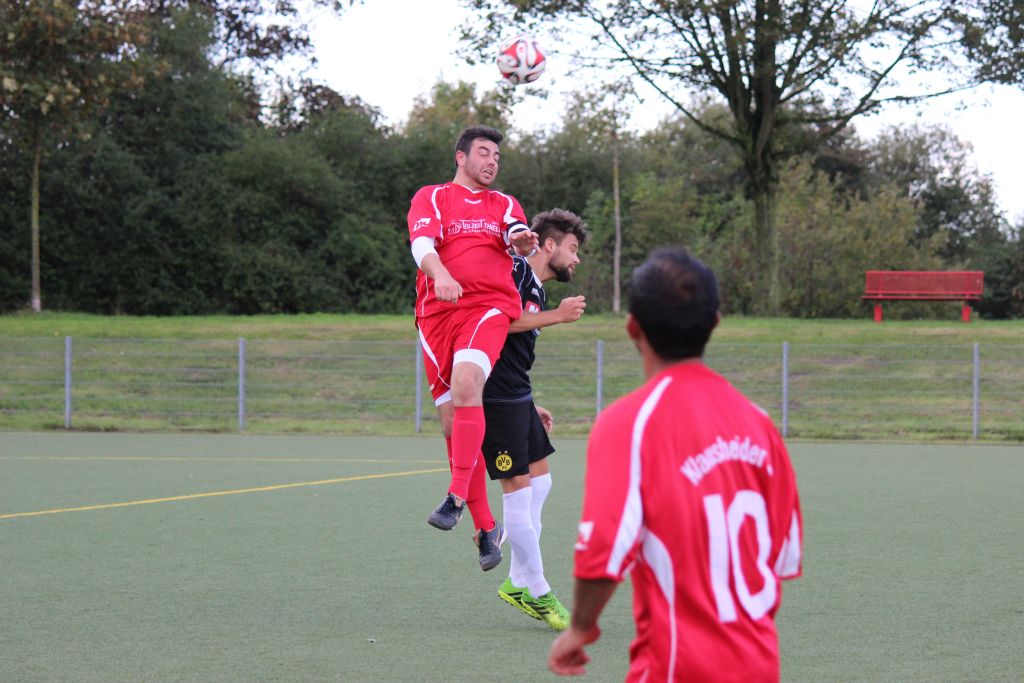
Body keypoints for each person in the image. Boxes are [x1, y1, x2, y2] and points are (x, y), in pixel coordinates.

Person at [548, 247, 803, 681]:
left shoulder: (630, 422)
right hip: (761, 666)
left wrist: (581, 628)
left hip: (679, 668)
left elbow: (602, 551)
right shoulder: (759, 424)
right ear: (715, 323)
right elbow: (783, 555)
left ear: (632, 327)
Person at [407, 125, 538, 572]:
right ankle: (486, 527)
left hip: (488, 308)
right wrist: (441, 274)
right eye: (484, 152)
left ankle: (455, 497)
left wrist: (521, 242)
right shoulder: (433, 197)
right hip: (436, 316)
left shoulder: (503, 204)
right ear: (461, 157)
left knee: (467, 385)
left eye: (497, 155)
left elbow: (515, 233)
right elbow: (421, 243)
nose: (492, 161)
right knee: (452, 424)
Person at [480, 208, 589, 631]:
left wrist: (531, 403)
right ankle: (539, 591)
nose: (576, 258)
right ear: (549, 244)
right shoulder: (517, 271)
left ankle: (517, 582)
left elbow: (515, 343)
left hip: (517, 396)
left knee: (541, 484)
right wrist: (559, 315)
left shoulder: (535, 287)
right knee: (518, 494)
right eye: (572, 248)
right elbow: (499, 322)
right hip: (495, 398)